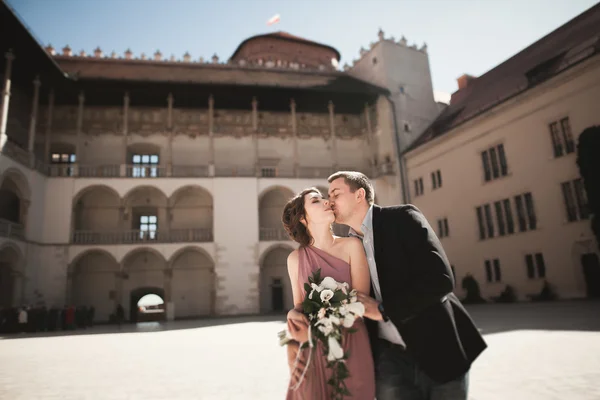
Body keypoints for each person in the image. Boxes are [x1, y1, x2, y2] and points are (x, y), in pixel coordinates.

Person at [327, 171, 487, 400]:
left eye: (336, 193)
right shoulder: (347, 248)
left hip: (439, 349)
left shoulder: (402, 218)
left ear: (359, 194)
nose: (329, 200)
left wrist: (383, 310)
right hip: (388, 362)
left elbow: (440, 279)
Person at [282, 187, 375, 399]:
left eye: (325, 198)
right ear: (303, 218)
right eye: (316, 200)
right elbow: (300, 306)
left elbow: (362, 299)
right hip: (313, 347)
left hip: (352, 342)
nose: (326, 202)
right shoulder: (295, 259)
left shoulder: (352, 245)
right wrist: (292, 314)